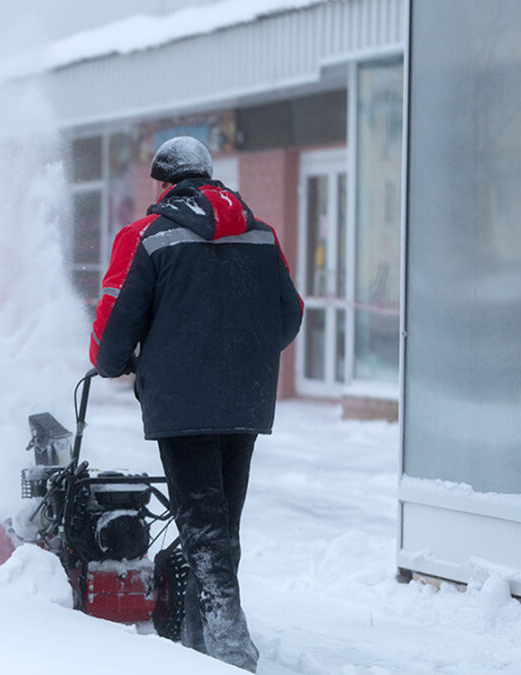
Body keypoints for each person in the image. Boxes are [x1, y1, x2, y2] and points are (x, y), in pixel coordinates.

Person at [88, 136, 302, 672]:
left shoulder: (154, 238)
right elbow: (290, 315)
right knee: (220, 526)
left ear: (163, 184)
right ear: (209, 178)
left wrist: (124, 362)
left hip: (183, 406)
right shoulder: (260, 232)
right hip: (246, 401)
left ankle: (231, 652)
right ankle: (195, 644)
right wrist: (241, 357)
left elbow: (115, 334)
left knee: (204, 528)